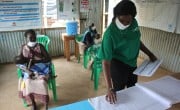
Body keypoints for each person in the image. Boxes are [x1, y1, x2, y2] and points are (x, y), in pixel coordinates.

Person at [98, 0, 157, 104]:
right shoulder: (110, 34)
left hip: (132, 63)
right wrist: (109, 88)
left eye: (128, 21)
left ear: (132, 18)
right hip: (118, 64)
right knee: (119, 94)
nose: (125, 24)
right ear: (116, 16)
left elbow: (136, 40)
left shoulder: (134, 24)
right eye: (121, 20)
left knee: (133, 90)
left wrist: (149, 53)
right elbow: (106, 62)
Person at [14, 29, 51, 110]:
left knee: (42, 81)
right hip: (29, 69)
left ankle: (45, 102)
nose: (33, 38)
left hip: (41, 68)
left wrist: (36, 61)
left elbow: (48, 59)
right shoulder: (23, 47)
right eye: (31, 37)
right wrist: (22, 63)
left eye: (34, 36)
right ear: (26, 38)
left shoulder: (40, 46)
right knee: (27, 82)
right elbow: (19, 60)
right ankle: (33, 102)